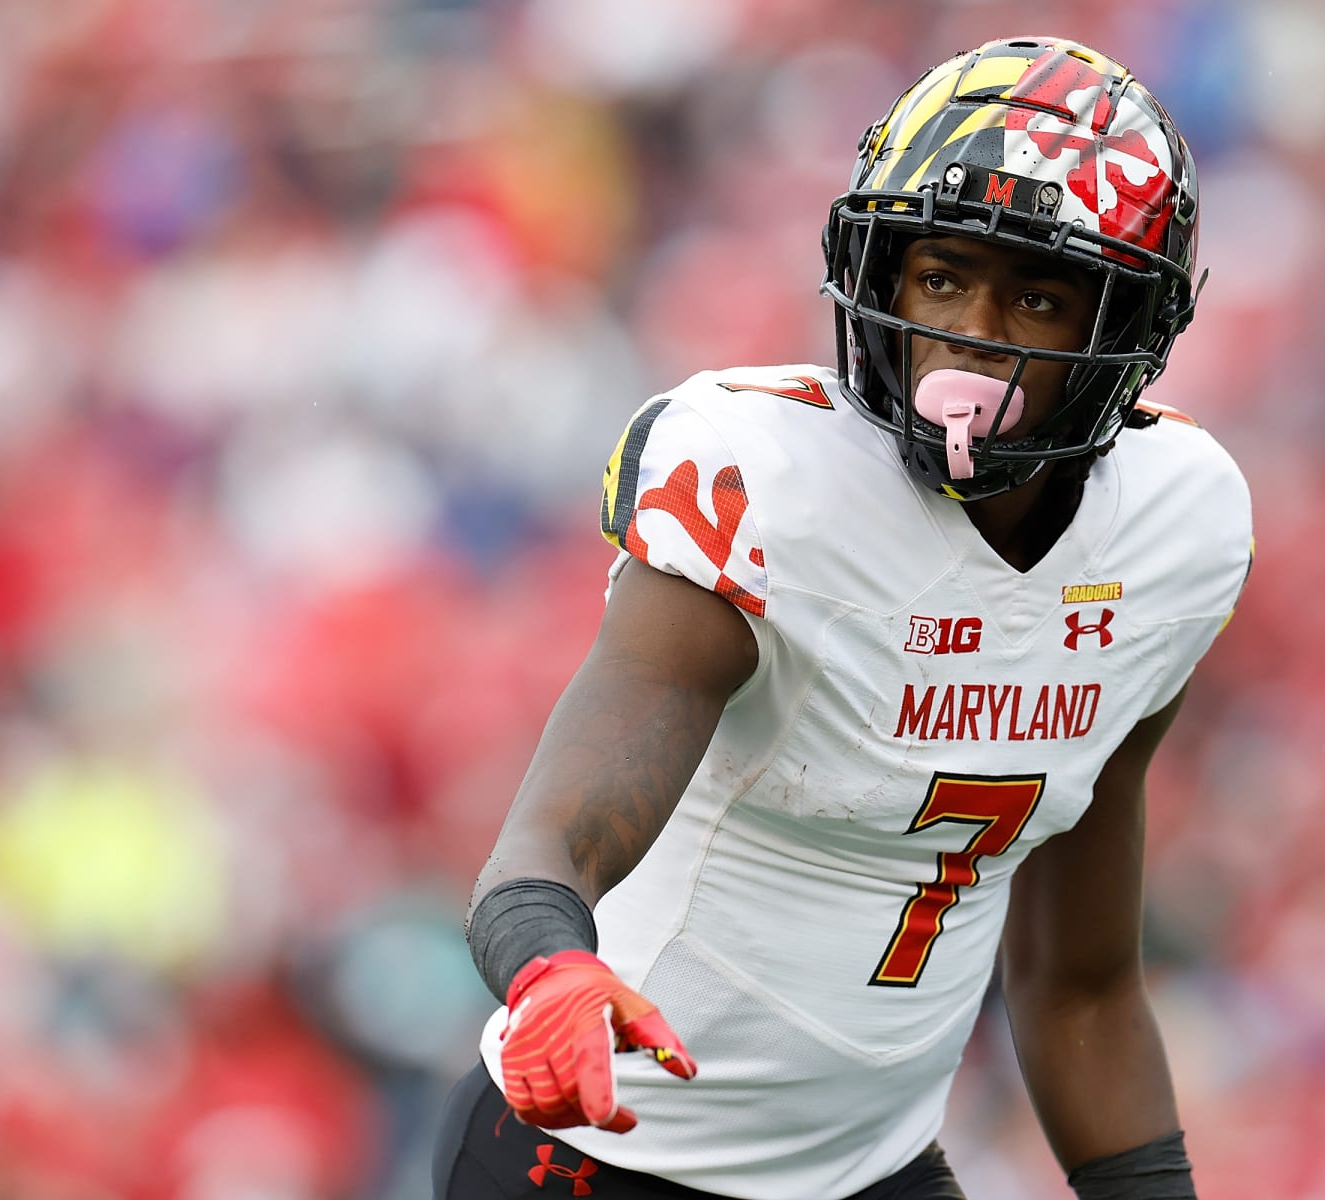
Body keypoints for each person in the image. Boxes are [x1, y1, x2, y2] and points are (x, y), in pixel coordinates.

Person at [431, 34, 1252, 1200]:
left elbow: (1080, 984)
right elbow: (548, 845)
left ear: (1123, 330)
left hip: (871, 1174)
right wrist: (550, 968)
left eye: (1035, 295)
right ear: (880, 279)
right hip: (596, 1161)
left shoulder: (1176, 528)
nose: (972, 331)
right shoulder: (768, 485)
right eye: (941, 277)